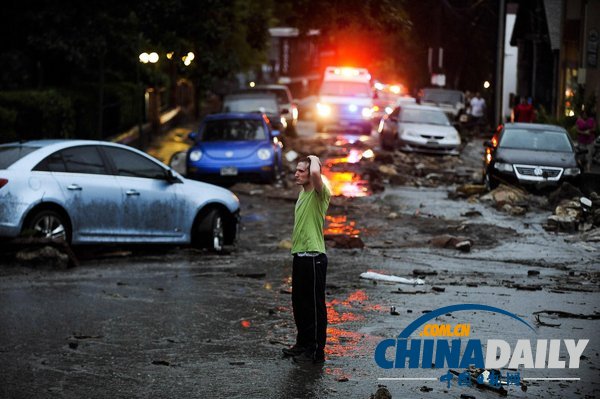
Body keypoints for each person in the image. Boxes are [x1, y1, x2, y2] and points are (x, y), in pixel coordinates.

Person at [282, 155, 331, 365]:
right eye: (296, 170)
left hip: (314, 257)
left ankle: (316, 351)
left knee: (314, 306)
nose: (296, 174)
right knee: (299, 304)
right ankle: (302, 344)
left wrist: (313, 158)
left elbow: (315, 173)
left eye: (301, 170)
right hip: (300, 255)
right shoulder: (302, 194)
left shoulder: (321, 193)